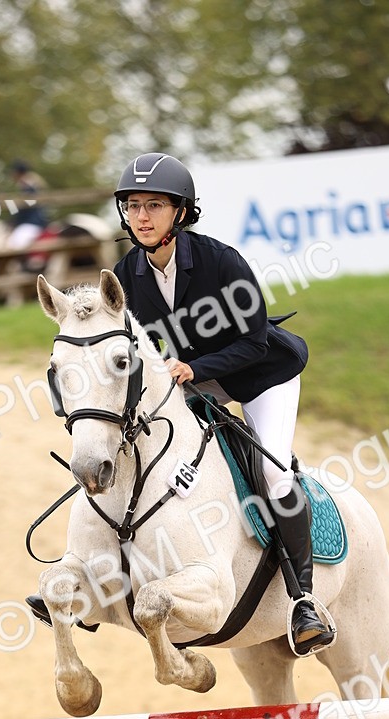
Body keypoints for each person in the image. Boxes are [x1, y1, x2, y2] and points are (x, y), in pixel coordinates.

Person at [111, 152, 333, 655]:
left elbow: (255, 343)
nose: (141, 217)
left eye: (154, 206)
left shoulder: (220, 260)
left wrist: (194, 369)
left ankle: (303, 601)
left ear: (181, 213)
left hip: (261, 376)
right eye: (133, 206)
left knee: (274, 474)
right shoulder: (127, 273)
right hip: (195, 382)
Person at [6, 159, 49, 250]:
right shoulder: (31, 186)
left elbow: (23, 210)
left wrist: (13, 221)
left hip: (31, 223)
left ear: (18, 173)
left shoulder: (29, 189)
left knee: (11, 246)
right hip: (32, 223)